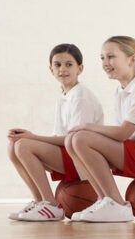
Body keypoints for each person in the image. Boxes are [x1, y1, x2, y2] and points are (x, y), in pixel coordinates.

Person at [66, 36, 135, 222]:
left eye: (111, 57)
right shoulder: (121, 90)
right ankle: (104, 199)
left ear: (132, 60)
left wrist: (89, 126)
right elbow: (124, 134)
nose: (105, 63)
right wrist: (128, 135)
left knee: (81, 138)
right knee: (71, 139)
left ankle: (117, 204)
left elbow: (122, 132)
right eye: (102, 58)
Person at [7, 44, 104, 221]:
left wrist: (32, 137)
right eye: (57, 65)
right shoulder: (65, 95)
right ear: (51, 70)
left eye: (69, 64)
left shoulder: (81, 97)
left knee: (23, 146)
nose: (62, 69)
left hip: (83, 159)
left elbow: (73, 139)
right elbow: (58, 137)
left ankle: (51, 206)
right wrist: (29, 136)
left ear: (80, 69)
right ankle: (40, 202)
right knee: (14, 146)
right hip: (69, 152)